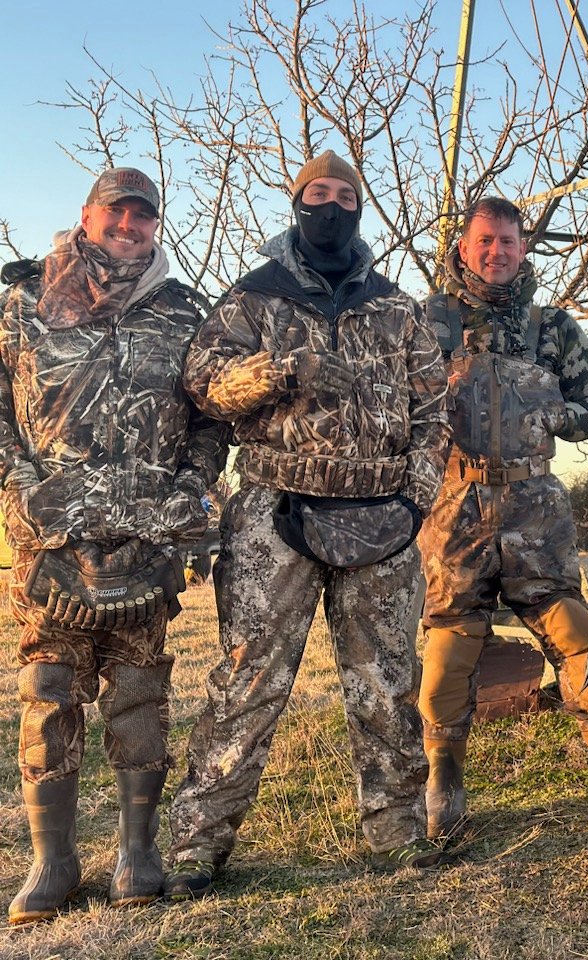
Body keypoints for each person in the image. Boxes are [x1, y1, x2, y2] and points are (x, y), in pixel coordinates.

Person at [165, 151, 451, 899]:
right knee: (247, 680)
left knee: (388, 680)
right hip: (274, 507)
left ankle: (395, 831)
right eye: (316, 195)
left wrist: (416, 500)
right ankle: (199, 844)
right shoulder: (252, 297)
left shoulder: (397, 308)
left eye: (344, 196)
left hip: (382, 515)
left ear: (361, 208)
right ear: (296, 205)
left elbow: (433, 413)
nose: (330, 207)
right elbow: (203, 387)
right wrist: (280, 369)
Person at [0, 168, 227, 924]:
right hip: (51, 544)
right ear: (88, 215)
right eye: (116, 213)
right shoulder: (25, 301)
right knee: (48, 697)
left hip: (144, 543)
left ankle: (138, 851)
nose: (130, 225)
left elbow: (209, 419)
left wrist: (189, 494)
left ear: (155, 225)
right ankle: (53, 863)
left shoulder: (182, 312)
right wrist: (20, 492)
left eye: (143, 216)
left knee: (139, 698)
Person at [417, 196, 588, 842]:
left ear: (523, 249)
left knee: (578, 632)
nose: (496, 251)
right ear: (463, 247)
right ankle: (443, 781)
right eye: (484, 241)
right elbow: (395, 405)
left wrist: (550, 416)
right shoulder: (428, 322)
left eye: (507, 241)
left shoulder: (553, 328)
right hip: (454, 506)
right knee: (449, 644)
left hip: (537, 505)